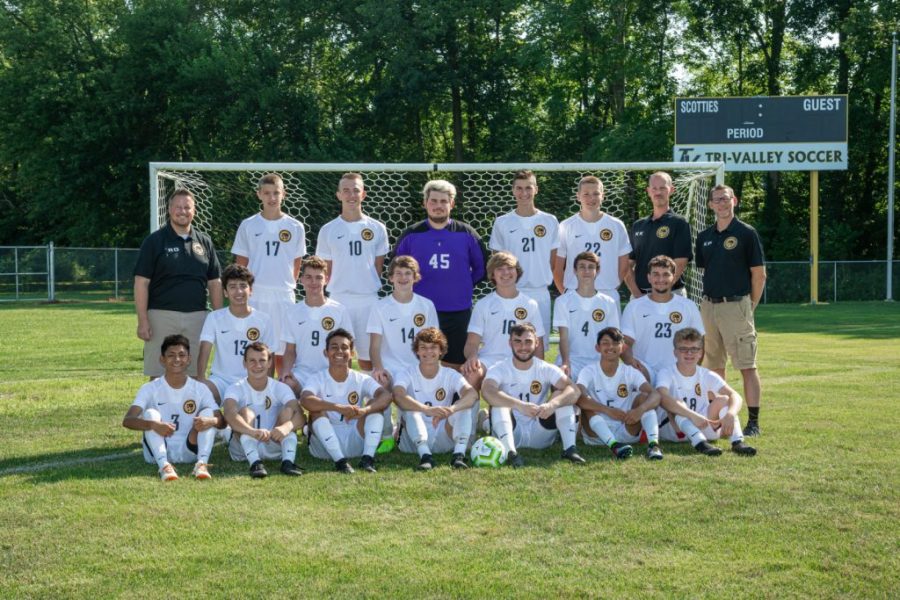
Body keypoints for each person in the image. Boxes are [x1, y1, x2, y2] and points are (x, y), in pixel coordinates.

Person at [695, 184, 766, 436]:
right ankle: (720, 417)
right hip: (709, 306)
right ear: (711, 205)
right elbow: (707, 271)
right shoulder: (704, 237)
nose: (722, 204)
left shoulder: (746, 233)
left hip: (737, 305)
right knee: (713, 366)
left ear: (734, 200)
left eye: (726, 199)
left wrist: (748, 307)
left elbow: (758, 275)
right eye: (717, 200)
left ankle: (753, 422)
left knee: (746, 365)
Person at [394, 179, 487, 368]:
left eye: (443, 201)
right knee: (421, 363)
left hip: (458, 311)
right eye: (433, 201)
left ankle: (460, 399)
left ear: (451, 204)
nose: (438, 206)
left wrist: (462, 285)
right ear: (425, 203)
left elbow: (482, 268)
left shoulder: (467, 233)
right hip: (420, 311)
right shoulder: (411, 234)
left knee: (458, 365)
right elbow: (396, 270)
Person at [134, 189, 223, 378]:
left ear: (194, 210)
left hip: (197, 317)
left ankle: (194, 408)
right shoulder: (154, 241)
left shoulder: (205, 242)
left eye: (187, 207)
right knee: (159, 374)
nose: (182, 211)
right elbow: (141, 282)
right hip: (161, 316)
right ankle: (157, 408)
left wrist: (220, 318)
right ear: (169, 209)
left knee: (196, 374)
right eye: (178, 207)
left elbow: (215, 283)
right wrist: (143, 320)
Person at [231, 173, 307, 375]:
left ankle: (283, 393)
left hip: (283, 296)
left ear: (284, 194)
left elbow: (296, 264)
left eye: (276, 193)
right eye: (267, 193)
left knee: (284, 350)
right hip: (256, 296)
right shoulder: (248, 225)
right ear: (259, 195)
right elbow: (241, 265)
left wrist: (285, 284)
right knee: (258, 350)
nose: (272, 198)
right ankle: (259, 394)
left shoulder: (295, 227)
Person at [315, 172, 389, 372]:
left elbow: (378, 267)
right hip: (339, 299)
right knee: (339, 355)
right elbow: (325, 270)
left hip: (369, 300)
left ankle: (370, 401)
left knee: (368, 357)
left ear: (363, 194)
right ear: (338, 195)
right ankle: (341, 400)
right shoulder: (328, 230)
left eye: (355, 190)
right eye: (346, 190)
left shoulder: (377, 228)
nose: (351, 195)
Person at [481, 323, 584, 467]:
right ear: (510, 343)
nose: (523, 347)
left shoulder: (546, 368)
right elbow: (487, 391)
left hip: (539, 431)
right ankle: (511, 454)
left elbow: (575, 390)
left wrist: (552, 404)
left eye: (528, 341)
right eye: (518, 341)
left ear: (536, 343)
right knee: (500, 405)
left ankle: (570, 449)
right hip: (512, 431)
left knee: (562, 396)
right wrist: (520, 405)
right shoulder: (499, 368)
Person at [122, 334, 221, 481]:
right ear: (162, 359)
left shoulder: (200, 389)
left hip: (189, 449)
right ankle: (164, 466)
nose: (177, 360)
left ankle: (202, 464)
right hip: (158, 450)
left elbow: (222, 420)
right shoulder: (150, 388)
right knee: (150, 414)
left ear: (189, 359)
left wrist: (211, 421)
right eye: (171, 355)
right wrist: (153, 425)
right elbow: (128, 420)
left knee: (208, 414)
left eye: (182, 355)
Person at [367, 255, 440, 451]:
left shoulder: (426, 305)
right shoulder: (380, 306)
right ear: (390, 277)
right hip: (390, 367)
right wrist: (378, 367)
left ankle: (404, 426)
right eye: (398, 273)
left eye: (408, 273)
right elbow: (374, 345)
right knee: (377, 385)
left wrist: (430, 368)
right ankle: (385, 434)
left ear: (416, 277)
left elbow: (434, 343)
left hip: (417, 368)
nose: (403, 277)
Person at [300, 329, 393, 473]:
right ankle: (340, 462)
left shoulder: (361, 378)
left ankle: (367, 459)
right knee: (316, 411)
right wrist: (337, 407)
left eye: (344, 347)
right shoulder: (317, 378)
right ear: (326, 352)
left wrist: (365, 410)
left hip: (355, 437)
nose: (339, 351)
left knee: (374, 407)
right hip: (324, 448)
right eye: (334, 347)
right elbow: (305, 400)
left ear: (352, 353)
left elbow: (386, 396)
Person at [655, 328, 757, 456]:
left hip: (702, 423)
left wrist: (730, 414)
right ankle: (700, 444)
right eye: (683, 349)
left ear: (700, 353)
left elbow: (735, 395)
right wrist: (692, 415)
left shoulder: (706, 374)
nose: (689, 353)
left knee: (725, 400)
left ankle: (738, 442)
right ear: (675, 352)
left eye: (694, 349)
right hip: (674, 429)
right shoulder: (666, 373)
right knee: (678, 405)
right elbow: (662, 398)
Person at [489, 170, 559, 348]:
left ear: (536, 189)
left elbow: (553, 262)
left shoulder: (550, 221)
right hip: (511, 292)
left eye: (528, 187)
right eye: (519, 188)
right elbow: (496, 261)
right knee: (510, 345)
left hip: (539, 292)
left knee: (538, 346)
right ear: (513, 191)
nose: (524, 193)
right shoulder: (502, 222)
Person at [392, 328, 479, 470]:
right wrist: (427, 409)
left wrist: (452, 409)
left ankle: (458, 456)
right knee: (411, 410)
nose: (428, 352)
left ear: (441, 351)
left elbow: (472, 394)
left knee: (464, 407)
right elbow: (397, 395)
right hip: (411, 442)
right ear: (417, 351)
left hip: (442, 433)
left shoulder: (450, 374)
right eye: (423, 348)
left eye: (433, 347)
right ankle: (425, 457)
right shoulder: (406, 373)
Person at [576, 327, 663, 460]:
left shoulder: (630, 372)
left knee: (645, 398)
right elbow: (580, 399)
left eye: (616, 343)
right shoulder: (588, 371)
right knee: (587, 403)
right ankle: (614, 445)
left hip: (626, 428)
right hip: (596, 434)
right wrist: (607, 410)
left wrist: (640, 410)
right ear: (597, 348)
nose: (611, 346)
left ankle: (654, 446)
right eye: (605, 343)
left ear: (623, 348)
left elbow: (655, 395)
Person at [462, 251, 545, 389]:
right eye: (500, 269)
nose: (506, 272)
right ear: (492, 275)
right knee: (471, 372)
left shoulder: (530, 304)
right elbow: (472, 342)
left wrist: (539, 369)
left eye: (510, 268)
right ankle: (469, 411)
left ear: (517, 272)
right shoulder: (483, 304)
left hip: (520, 359)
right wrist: (472, 357)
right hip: (490, 359)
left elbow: (539, 344)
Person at [222, 342, 304, 478]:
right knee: (246, 413)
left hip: (273, 443)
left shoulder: (280, 387)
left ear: (270, 362)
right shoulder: (235, 388)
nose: (258, 365)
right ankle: (255, 463)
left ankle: (288, 462)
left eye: (262, 361)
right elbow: (229, 415)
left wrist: (285, 427)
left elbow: (300, 416)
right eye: (252, 361)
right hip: (243, 448)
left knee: (289, 412)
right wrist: (252, 432)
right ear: (244, 363)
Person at [196, 264, 275, 404]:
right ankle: (215, 422)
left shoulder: (264, 320)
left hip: (251, 380)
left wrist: (267, 385)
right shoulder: (214, 317)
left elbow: (270, 356)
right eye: (232, 287)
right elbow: (205, 349)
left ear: (250, 290)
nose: (238, 291)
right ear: (225, 292)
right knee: (199, 394)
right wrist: (201, 379)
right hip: (220, 380)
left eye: (243, 286)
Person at [621, 255, 704, 381]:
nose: (661, 279)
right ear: (649, 277)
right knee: (643, 391)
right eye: (656, 274)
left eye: (666, 274)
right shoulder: (634, 306)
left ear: (674, 277)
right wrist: (631, 363)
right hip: (644, 370)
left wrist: (691, 370)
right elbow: (625, 343)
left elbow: (700, 341)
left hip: (677, 370)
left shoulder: (688, 306)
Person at [280, 256, 354, 397]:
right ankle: (300, 415)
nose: (313, 282)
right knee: (285, 385)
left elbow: (348, 349)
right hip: (302, 373)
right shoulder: (292, 312)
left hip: (330, 372)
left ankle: (314, 409)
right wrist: (286, 372)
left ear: (326, 279)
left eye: (318, 277)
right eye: (308, 277)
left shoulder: (339, 310)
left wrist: (346, 375)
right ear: (301, 279)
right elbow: (290, 351)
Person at [553, 176, 631, 305]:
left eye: (596, 193)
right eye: (586, 194)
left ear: (603, 195)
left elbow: (624, 264)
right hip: (574, 293)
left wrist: (611, 287)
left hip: (607, 293)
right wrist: (565, 292)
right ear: (578, 196)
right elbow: (557, 266)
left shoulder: (616, 225)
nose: (591, 198)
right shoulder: (566, 226)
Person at [552, 251, 620, 381]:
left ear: (597, 271)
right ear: (575, 271)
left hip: (598, 361)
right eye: (582, 267)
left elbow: (613, 340)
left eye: (591, 267)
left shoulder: (608, 303)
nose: (586, 271)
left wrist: (610, 365)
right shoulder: (563, 301)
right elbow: (564, 337)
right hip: (572, 359)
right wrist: (566, 362)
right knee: (558, 383)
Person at [625, 172, 692, 298]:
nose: (658, 192)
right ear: (648, 191)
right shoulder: (638, 225)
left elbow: (681, 263)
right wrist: (637, 294)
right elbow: (627, 265)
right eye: (654, 188)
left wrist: (661, 293)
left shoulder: (679, 223)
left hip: (671, 294)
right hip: (640, 296)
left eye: (662, 188)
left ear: (671, 190)